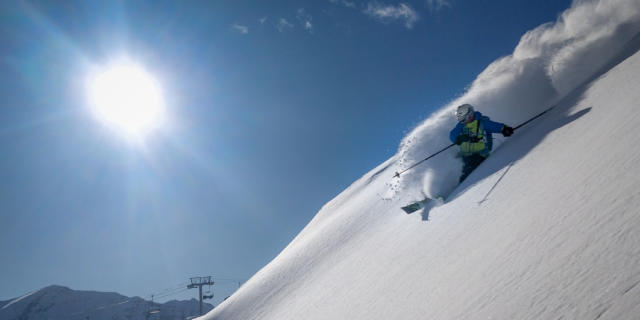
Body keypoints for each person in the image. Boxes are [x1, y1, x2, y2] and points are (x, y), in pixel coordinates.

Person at [449, 104, 514, 183]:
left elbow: (494, 126)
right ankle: (448, 187)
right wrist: (458, 138)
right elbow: (452, 134)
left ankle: (461, 187)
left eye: (464, 119)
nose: (463, 122)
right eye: (461, 120)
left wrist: (504, 129)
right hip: (464, 153)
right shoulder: (462, 125)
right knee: (452, 163)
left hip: (480, 153)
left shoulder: (482, 122)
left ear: (470, 115)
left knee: (468, 169)